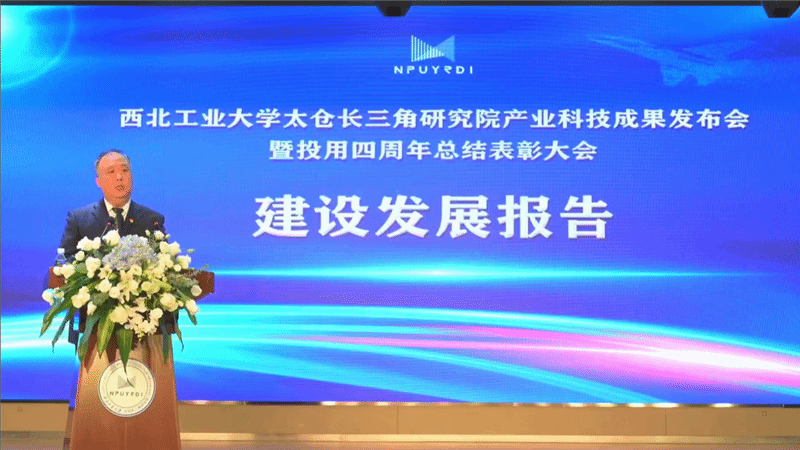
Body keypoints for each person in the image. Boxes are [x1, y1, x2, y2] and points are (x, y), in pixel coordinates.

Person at [59, 149, 165, 259]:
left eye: (125, 170)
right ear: (98, 182)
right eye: (111, 172)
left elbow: (165, 261)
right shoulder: (79, 219)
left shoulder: (153, 221)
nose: (119, 177)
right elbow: (63, 262)